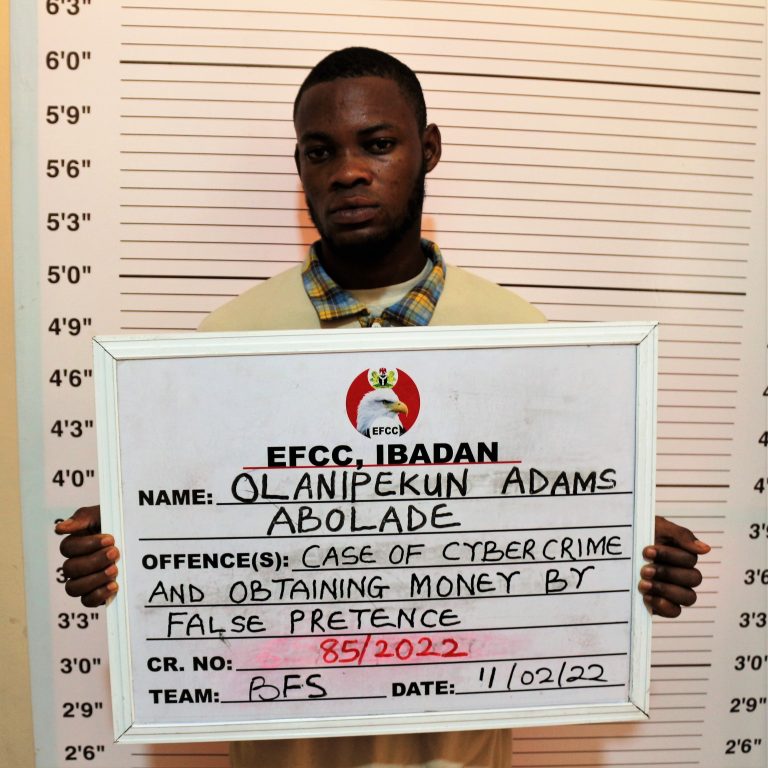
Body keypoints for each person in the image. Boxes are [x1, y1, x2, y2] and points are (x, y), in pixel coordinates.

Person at [55, 47, 711, 768]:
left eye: (377, 143)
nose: (348, 171)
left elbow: (546, 526)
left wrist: (624, 550)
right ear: (300, 166)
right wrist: (125, 547)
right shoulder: (225, 343)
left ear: (428, 150)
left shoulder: (518, 334)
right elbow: (194, 544)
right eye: (320, 151)